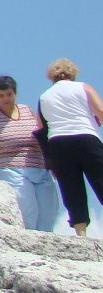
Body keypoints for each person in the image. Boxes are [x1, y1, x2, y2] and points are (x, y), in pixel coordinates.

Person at [0, 75, 59, 232]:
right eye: (1, 95)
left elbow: (42, 136)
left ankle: (45, 242)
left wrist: (53, 162)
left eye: (9, 94)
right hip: (10, 169)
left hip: (39, 167)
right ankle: (28, 242)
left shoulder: (27, 111)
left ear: (15, 93)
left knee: (48, 210)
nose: (6, 99)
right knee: (27, 210)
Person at [37, 58, 103, 237]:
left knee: (71, 189)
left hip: (58, 143)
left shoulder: (44, 97)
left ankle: (81, 234)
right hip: (86, 137)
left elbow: (41, 128)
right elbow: (101, 110)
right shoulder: (83, 87)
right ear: (72, 74)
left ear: (52, 76)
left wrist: (49, 160)